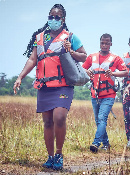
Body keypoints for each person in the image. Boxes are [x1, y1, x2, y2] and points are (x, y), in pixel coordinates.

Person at [13, 4, 87, 170]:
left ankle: (59, 155)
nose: (53, 20)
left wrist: (72, 51)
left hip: (63, 86)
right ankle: (50, 157)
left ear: (63, 19)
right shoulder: (39, 37)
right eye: (51, 17)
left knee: (59, 117)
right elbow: (33, 59)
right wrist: (20, 77)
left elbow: (83, 56)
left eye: (57, 17)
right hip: (44, 85)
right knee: (47, 122)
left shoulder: (70, 36)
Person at [82, 33, 128, 153]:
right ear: (100, 42)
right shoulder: (92, 57)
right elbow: (82, 69)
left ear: (111, 44)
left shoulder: (116, 58)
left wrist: (113, 73)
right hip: (95, 94)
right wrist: (87, 72)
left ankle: (96, 143)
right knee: (98, 120)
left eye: (107, 43)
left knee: (102, 118)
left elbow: (125, 72)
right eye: (102, 42)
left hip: (109, 94)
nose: (104, 45)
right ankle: (106, 144)